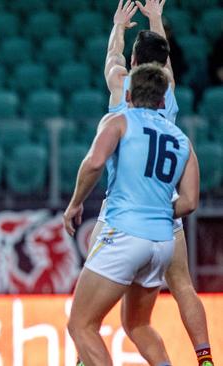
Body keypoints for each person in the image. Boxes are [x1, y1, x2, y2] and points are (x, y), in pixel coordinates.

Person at [94, 1, 214, 364]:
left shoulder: (121, 84)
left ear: (134, 62)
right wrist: (156, 19)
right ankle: (205, 357)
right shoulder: (170, 89)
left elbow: (111, 57)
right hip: (165, 199)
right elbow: (165, 63)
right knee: (182, 285)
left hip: (125, 203)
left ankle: (86, 353)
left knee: (92, 283)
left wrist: (118, 26)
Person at [64, 64, 199, 366]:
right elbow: (190, 202)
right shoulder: (180, 139)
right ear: (164, 101)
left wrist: (75, 203)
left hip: (124, 233)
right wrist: (158, 212)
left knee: (81, 326)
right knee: (138, 324)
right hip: (163, 244)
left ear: (128, 94)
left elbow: (94, 163)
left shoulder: (119, 121)